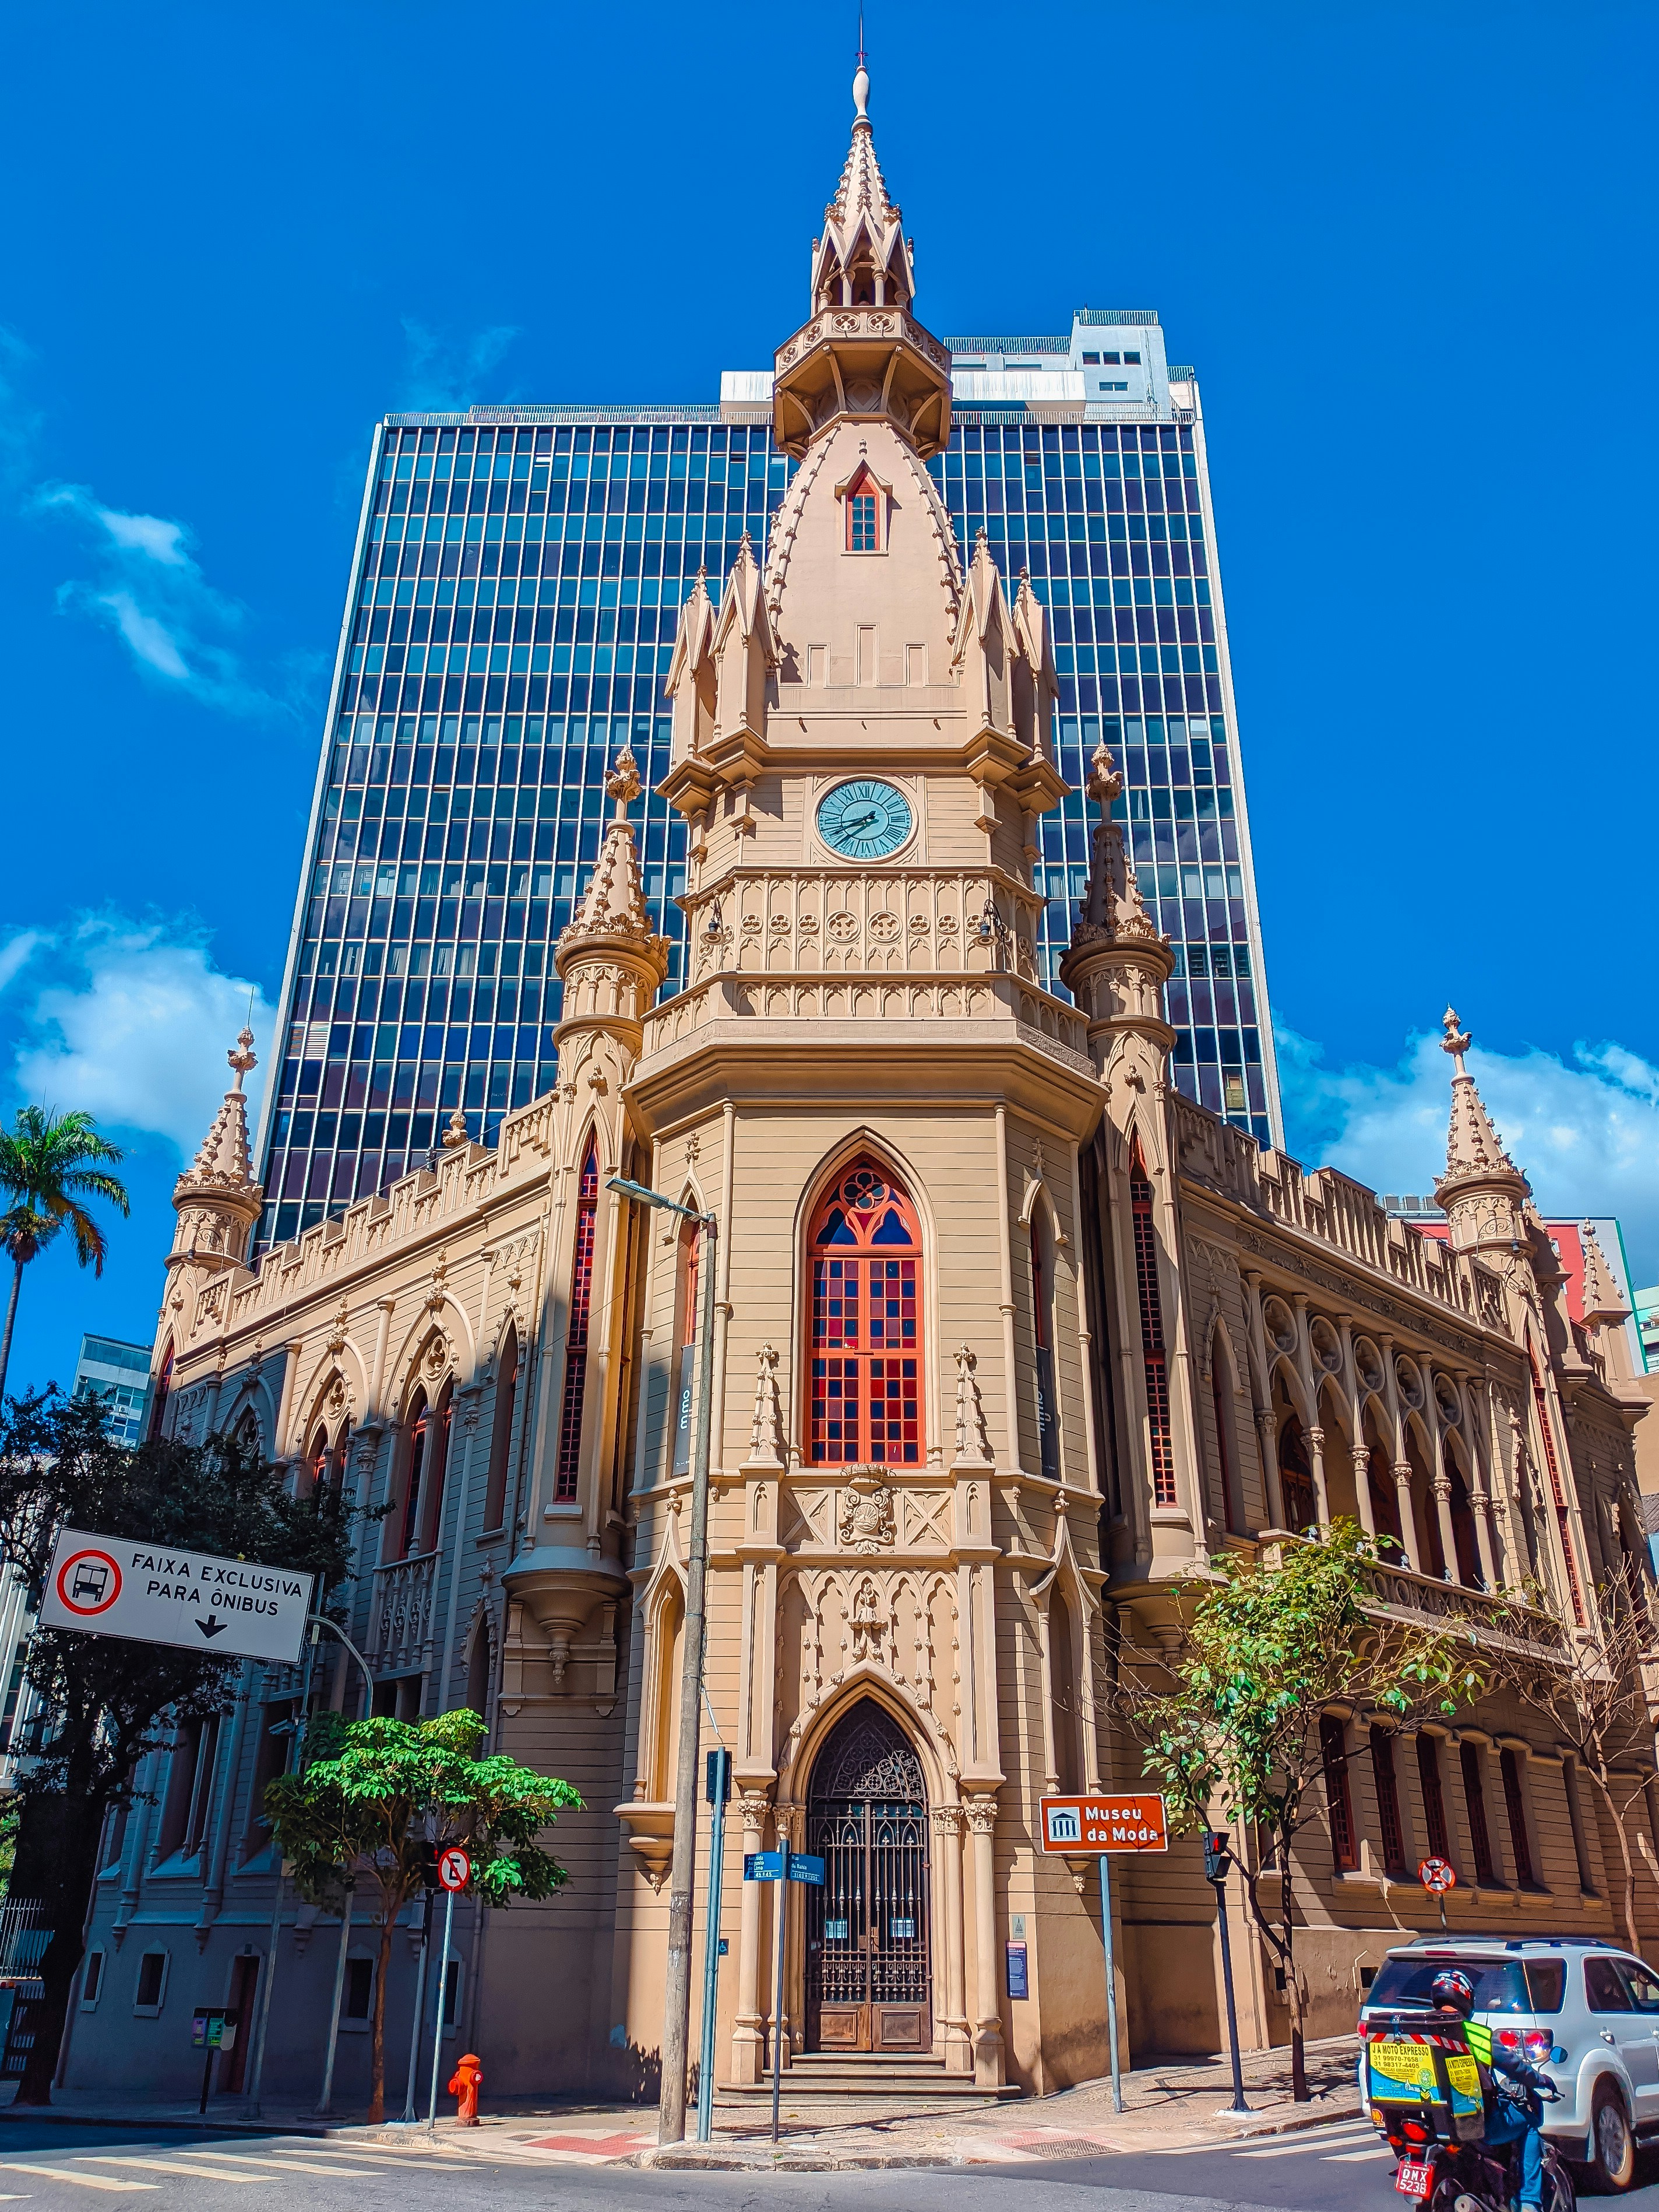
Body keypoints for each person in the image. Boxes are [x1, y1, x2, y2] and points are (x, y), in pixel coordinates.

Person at [1427, 1968, 1559, 2210]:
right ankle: (1529, 2202)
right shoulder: (1475, 2034)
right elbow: (1516, 2067)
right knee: (1528, 2123)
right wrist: (1541, 2080)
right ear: (1466, 1999)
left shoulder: (1418, 2029)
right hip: (1473, 2121)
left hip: (1428, 2122)